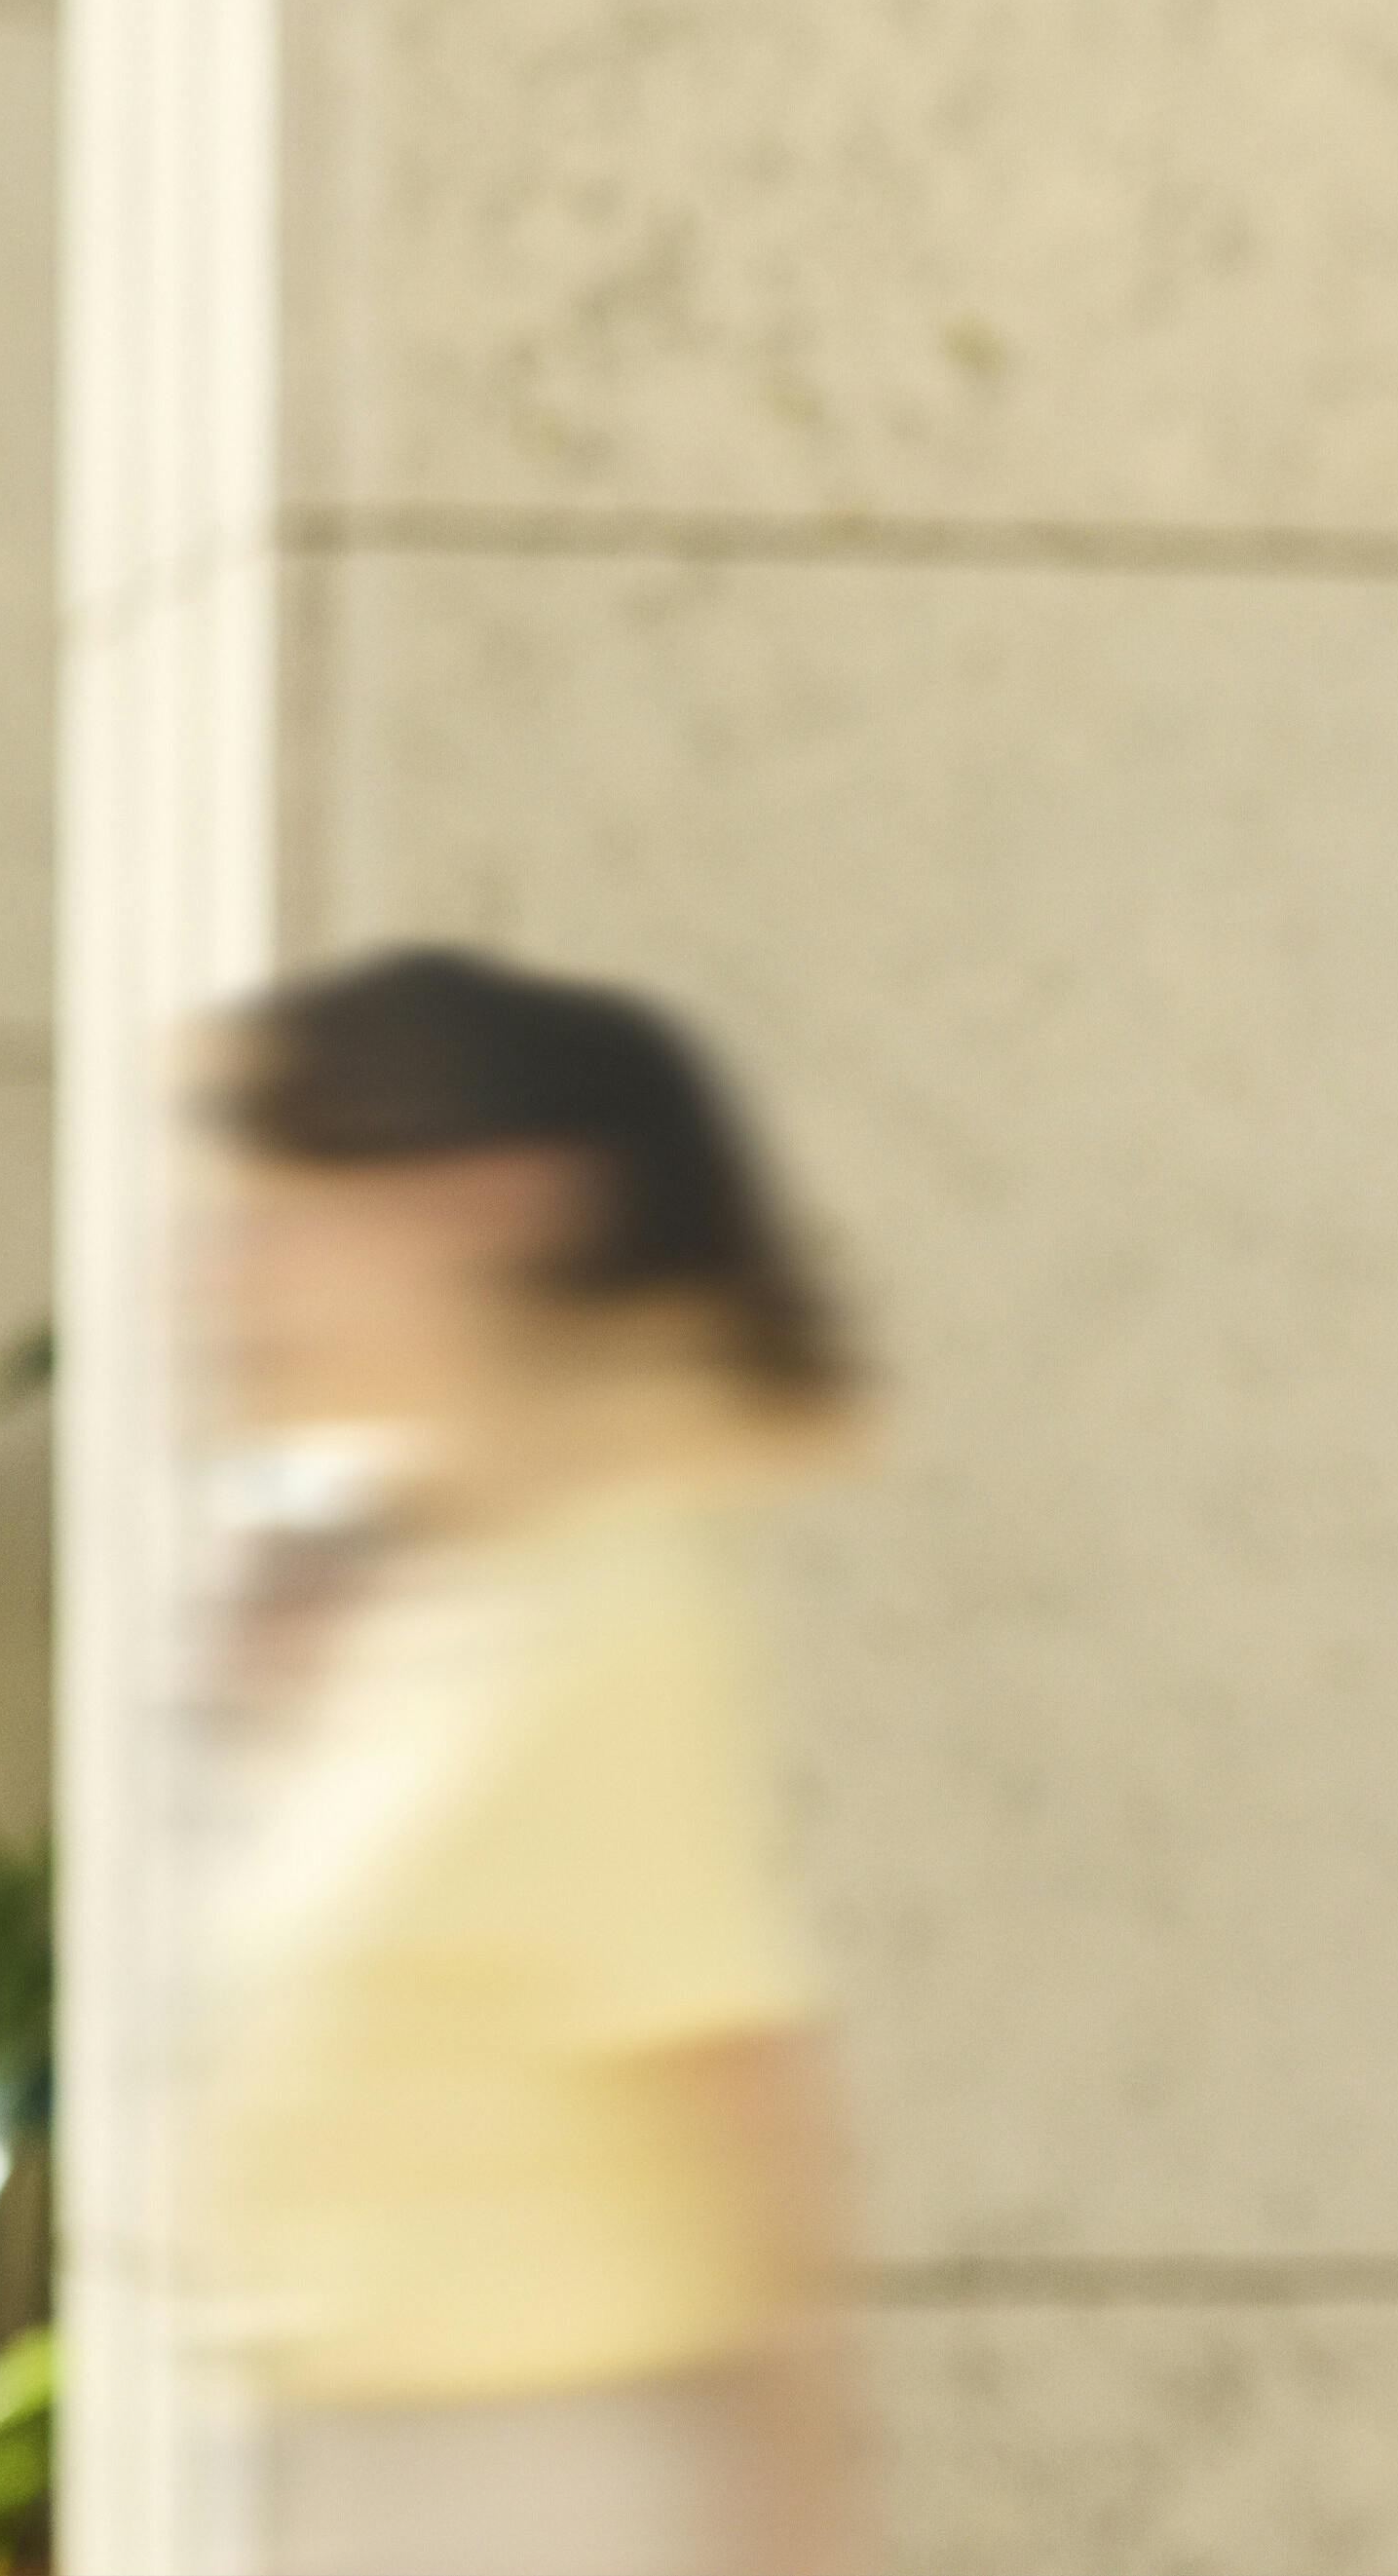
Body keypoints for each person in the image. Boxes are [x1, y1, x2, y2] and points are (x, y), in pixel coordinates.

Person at [193, 948, 872, 2576]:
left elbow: (753, 2115)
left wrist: (801, 2532)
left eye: (287, 1211)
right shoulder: (438, 1601)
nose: (231, 1273)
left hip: (528, 2495)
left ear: (492, 1205)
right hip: (376, 2478)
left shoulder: (614, 1620)